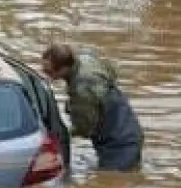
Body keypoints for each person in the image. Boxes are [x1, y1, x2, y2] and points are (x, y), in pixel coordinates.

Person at [41, 43, 143, 172]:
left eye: (49, 71)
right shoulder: (85, 59)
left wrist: (64, 133)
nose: (45, 74)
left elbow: (85, 129)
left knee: (112, 183)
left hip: (119, 144)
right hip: (128, 124)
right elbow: (112, 71)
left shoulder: (82, 90)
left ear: (64, 69)